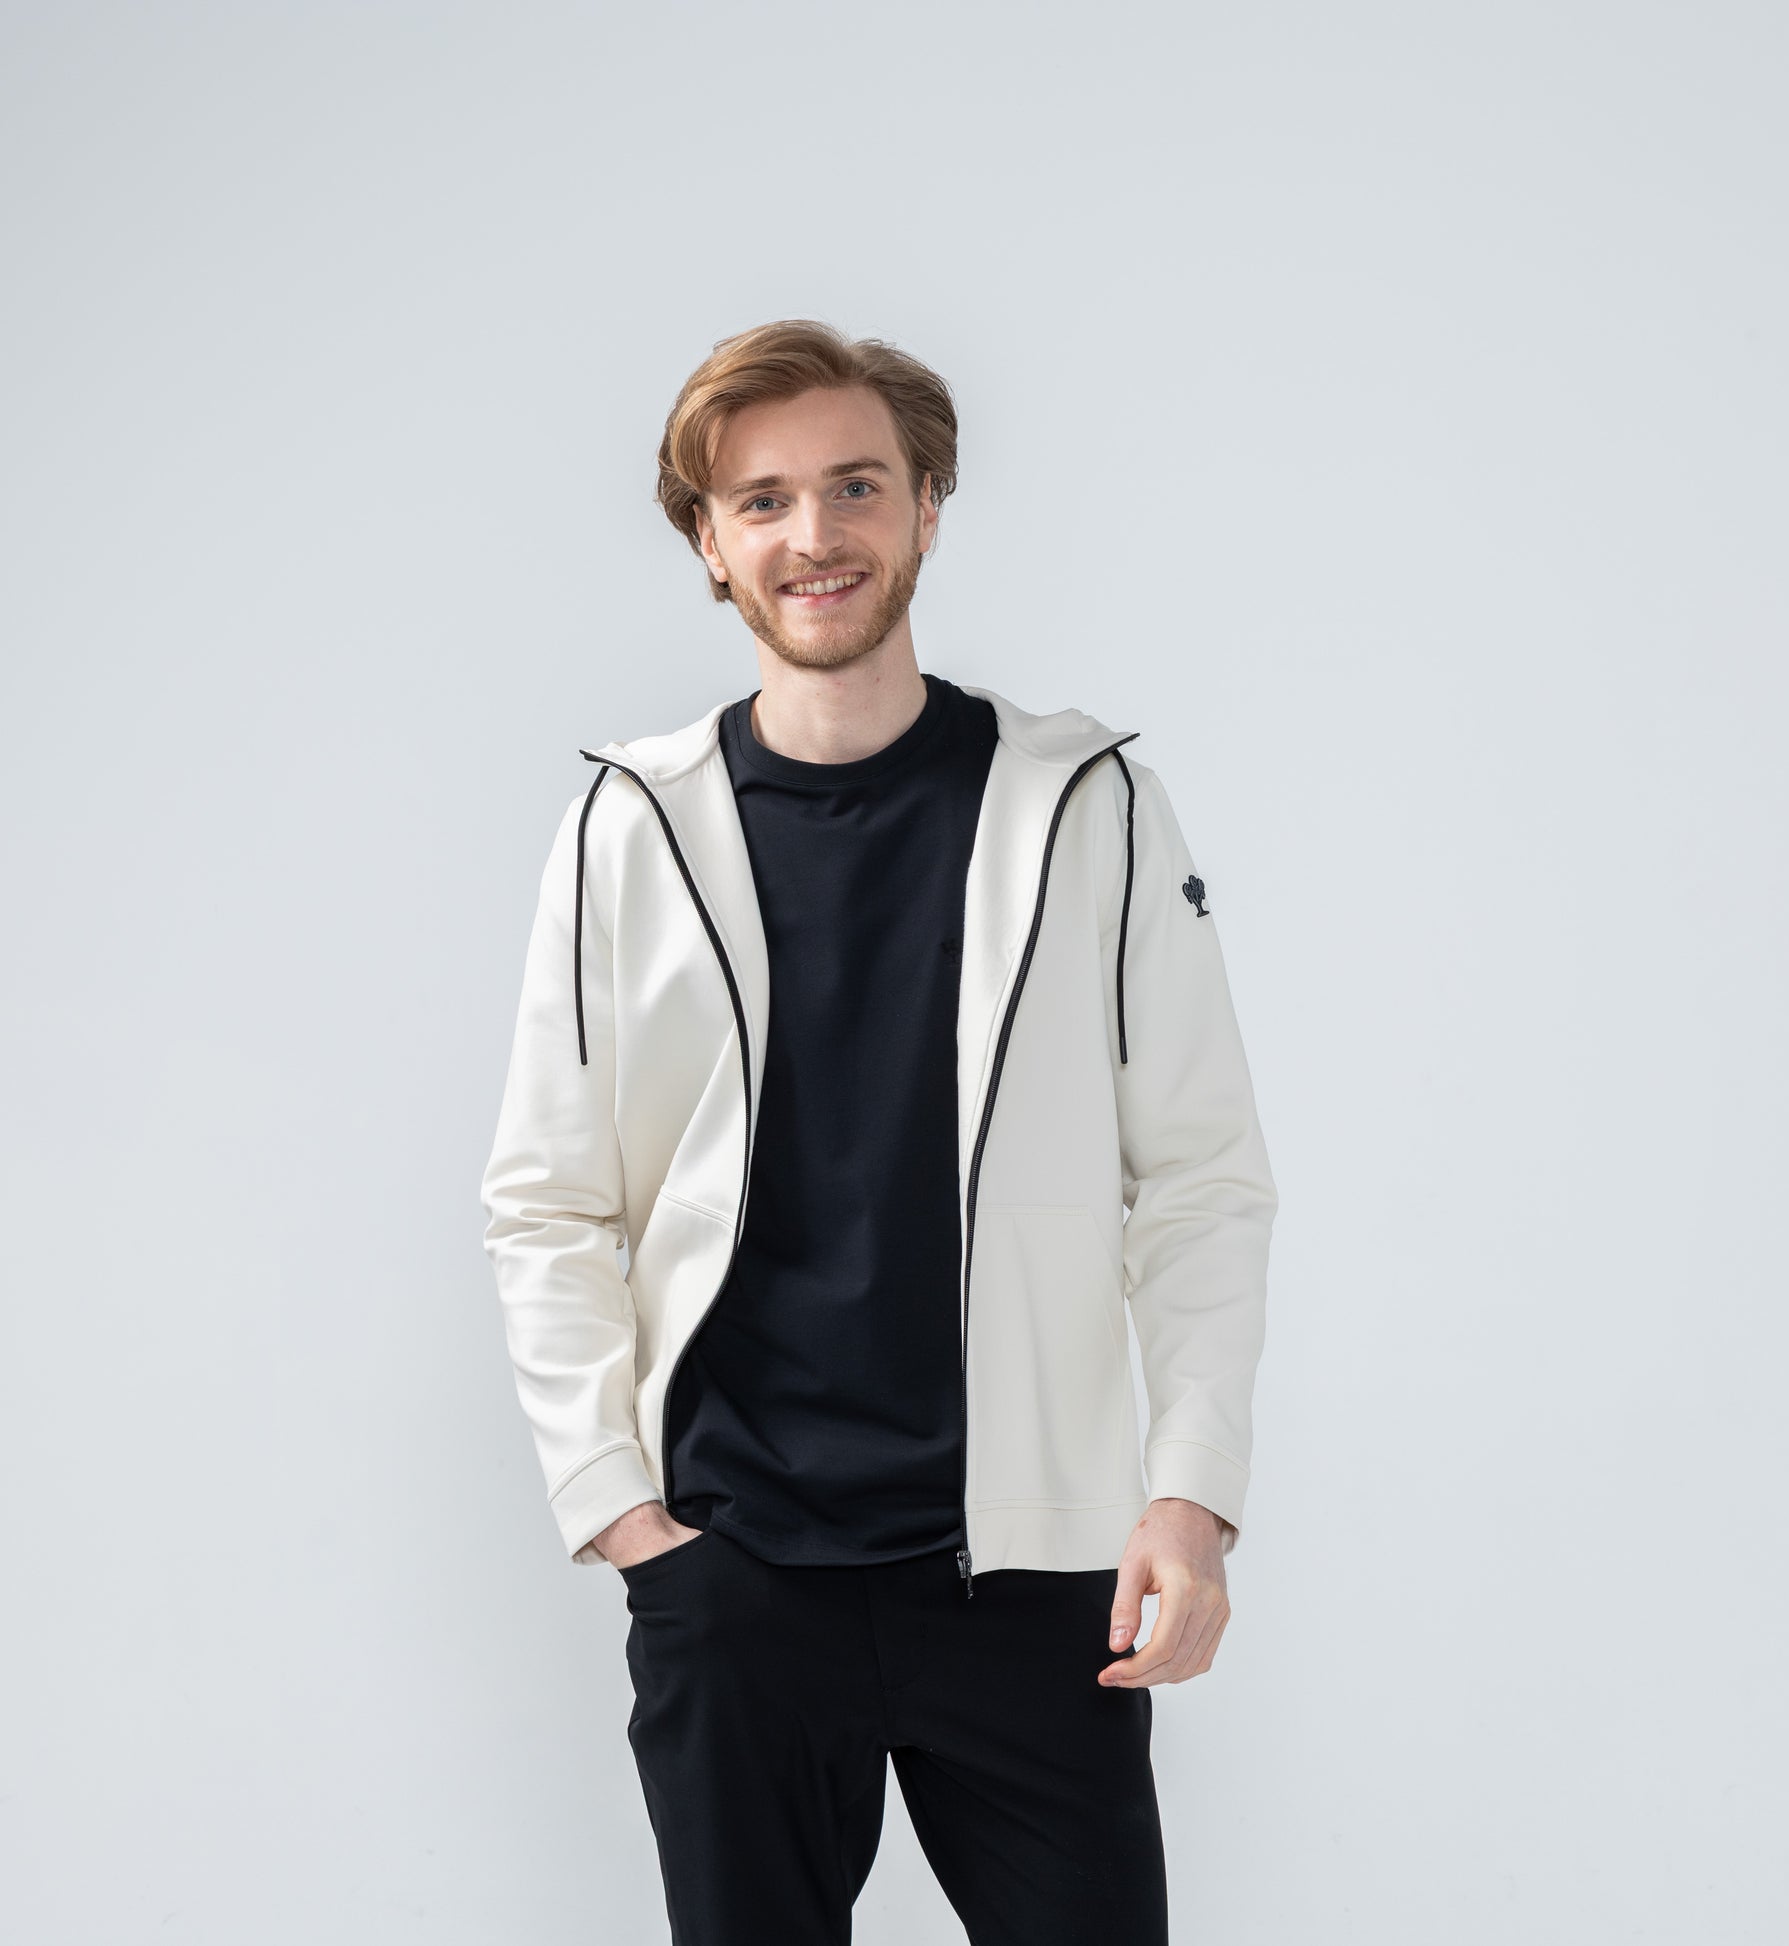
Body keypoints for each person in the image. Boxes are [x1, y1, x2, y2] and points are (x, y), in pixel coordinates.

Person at [479, 319, 1278, 1944]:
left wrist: (1189, 1496)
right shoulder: (631, 823)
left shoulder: (1085, 804)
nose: (815, 535)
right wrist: (622, 1514)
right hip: (734, 1573)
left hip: (1030, 1573)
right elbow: (550, 1201)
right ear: (709, 544)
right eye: (761, 500)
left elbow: (1199, 1179)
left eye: (855, 485)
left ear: (926, 506)